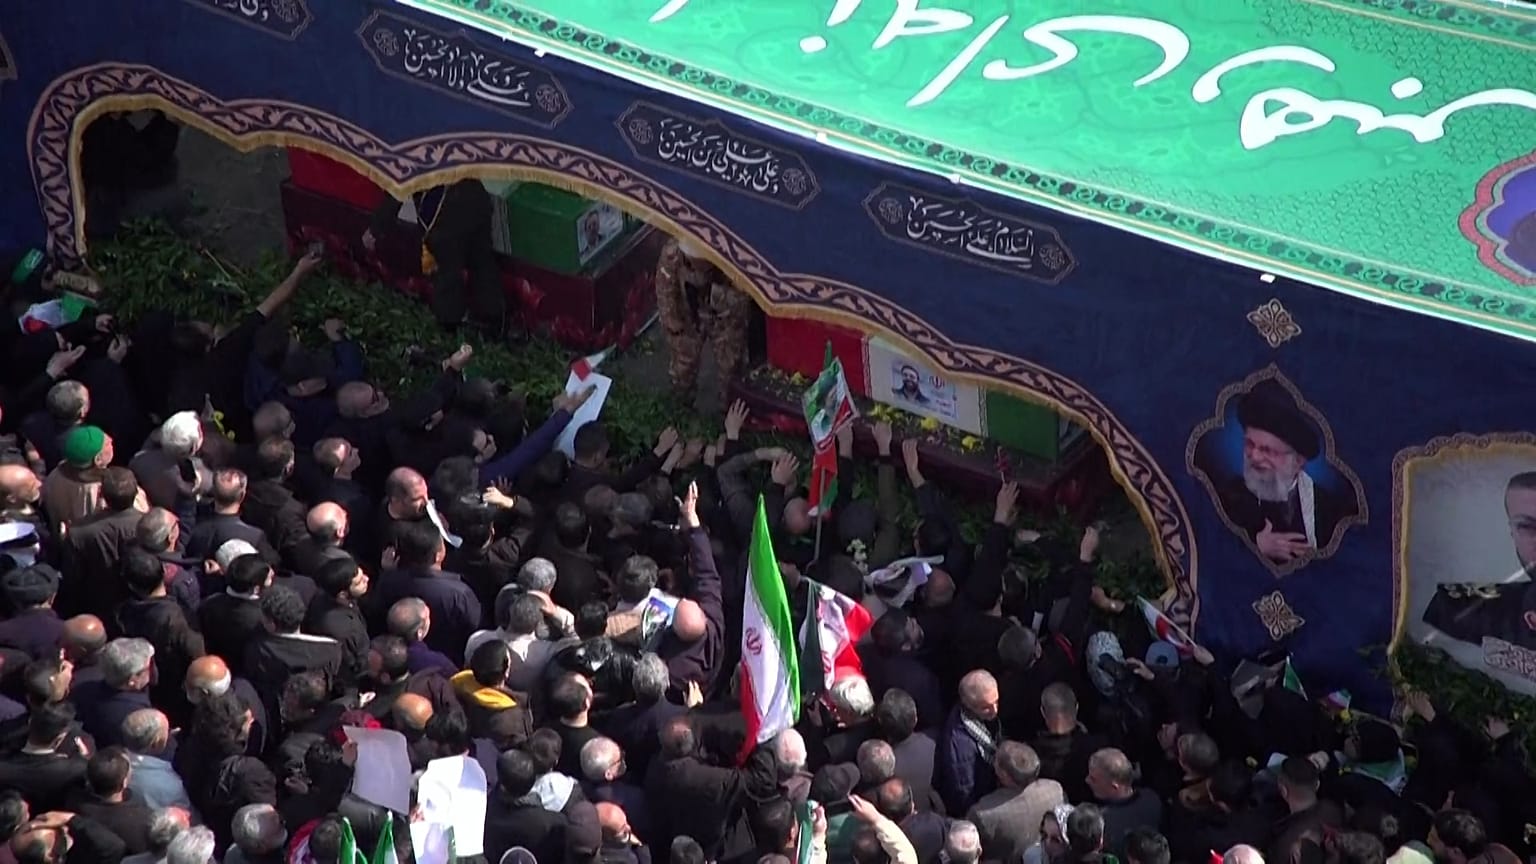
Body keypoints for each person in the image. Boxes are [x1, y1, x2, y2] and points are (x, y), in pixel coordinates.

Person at [1204, 379, 1356, 564]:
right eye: (1250, 445)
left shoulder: (1326, 507)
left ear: (1298, 461)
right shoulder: (1229, 495)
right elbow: (1209, 547)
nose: (1255, 456)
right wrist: (1256, 544)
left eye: (1267, 450)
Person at [364, 180, 507, 333]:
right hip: (476, 200)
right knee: (482, 261)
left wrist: (376, 229)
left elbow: (398, 189)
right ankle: (494, 319)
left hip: (443, 214)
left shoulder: (416, 157)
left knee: (447, 271)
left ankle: (449, 325)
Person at [652, 236, 754, 404]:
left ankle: (729, 408)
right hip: (687, 314)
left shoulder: (733, 260)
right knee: (683, 365)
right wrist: (674, 326)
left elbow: (742, 301)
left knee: (731, 367)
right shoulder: (672, 255)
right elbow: (665, 292)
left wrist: (717, 295)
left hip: (723, 317)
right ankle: (681, 403)